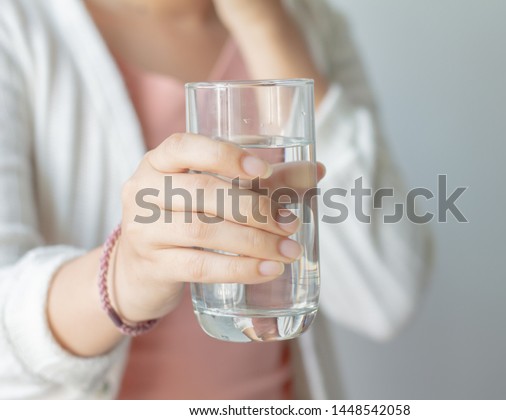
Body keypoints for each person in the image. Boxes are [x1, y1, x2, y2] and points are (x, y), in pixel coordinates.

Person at [0, 0, 429, 399]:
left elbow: (385, 294)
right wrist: (123, 276)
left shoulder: (309, 20)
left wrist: (266, 23)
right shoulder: (17, 26)